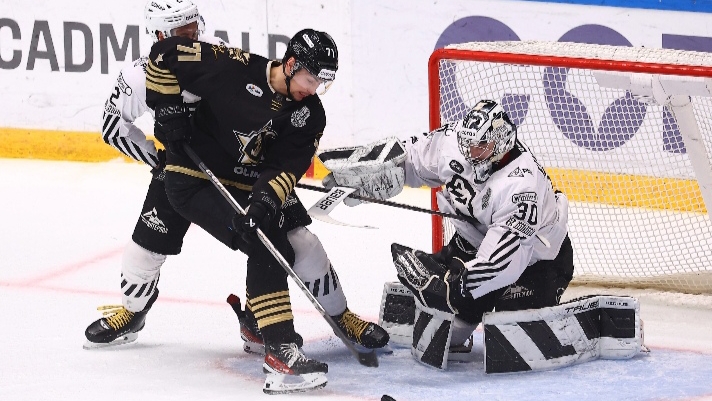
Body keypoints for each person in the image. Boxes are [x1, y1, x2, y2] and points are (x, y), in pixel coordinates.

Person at [144, 28, 389, 393]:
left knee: (302, 242)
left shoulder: (309, 114)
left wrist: (262, 204)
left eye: (321, 83)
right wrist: (166, 107)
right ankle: (280, 353)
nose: (314, 90)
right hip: (195, 178)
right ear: (290, 65)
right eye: (310, 79)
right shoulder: (232, 66)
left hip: (249, 183)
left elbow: (284, 170)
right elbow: (162, 54)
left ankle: (285, 321)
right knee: (265, 242)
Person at [321, 99, 574, 359]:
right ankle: (457, 306)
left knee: (513, 345)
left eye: (479, 147)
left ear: (500, 144)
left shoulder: (522, 186)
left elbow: (500, 264)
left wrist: (452, 284)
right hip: (474, 242)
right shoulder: (455, 141)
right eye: (467, 144)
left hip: (537, 263)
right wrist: (375, 174)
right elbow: (413, 159)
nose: (469, 152)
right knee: (442, 340)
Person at [84, 0, 238, 349]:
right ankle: (132, 312)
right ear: (159, 34)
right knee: (141, 253)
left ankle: (264, 321)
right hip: (179, 172)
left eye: (193, 29)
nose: (191, 38)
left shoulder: (220, 55)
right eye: (181, 32)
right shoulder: (139, 76)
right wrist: (158, 160)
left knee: (262, 243)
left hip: (230, 168)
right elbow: (113, 126)